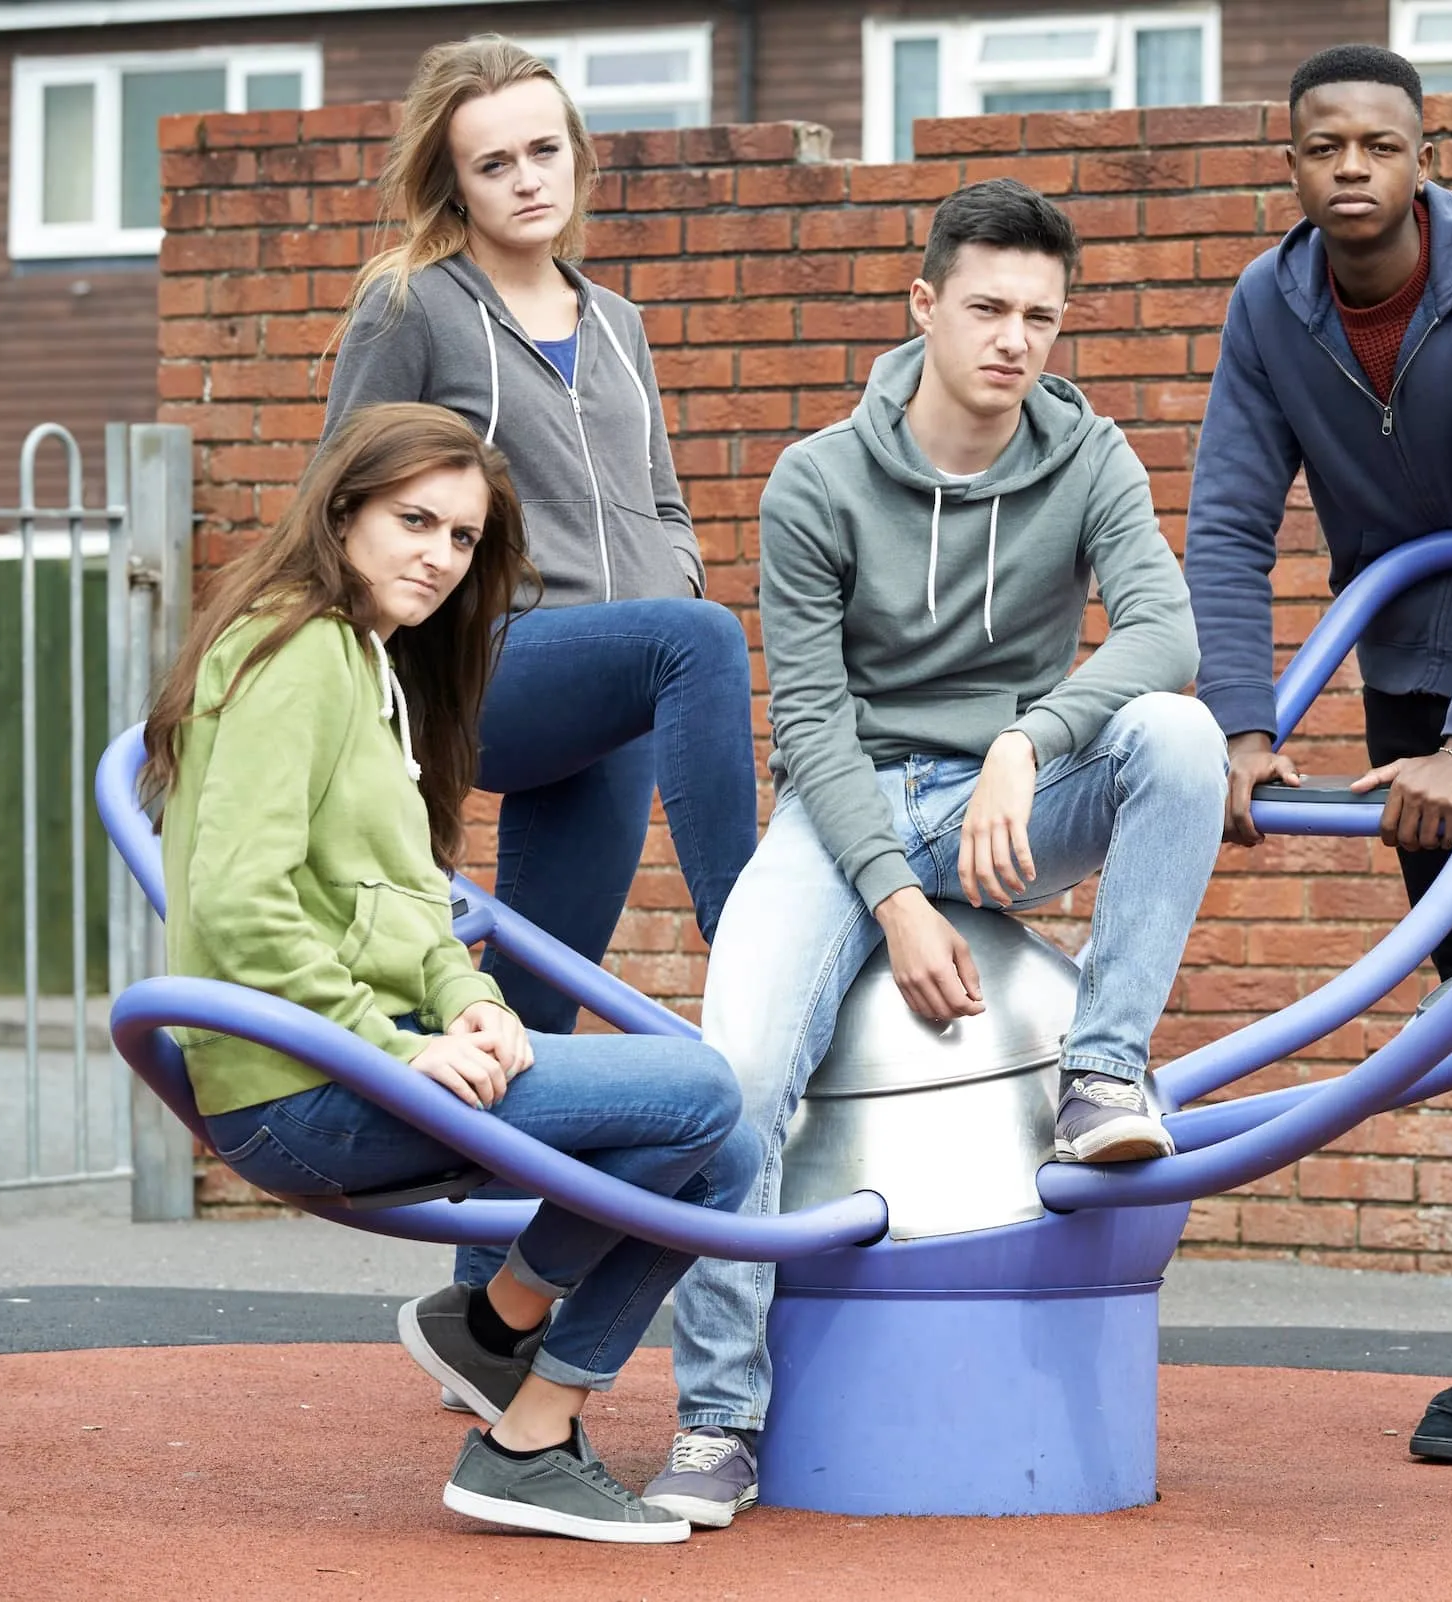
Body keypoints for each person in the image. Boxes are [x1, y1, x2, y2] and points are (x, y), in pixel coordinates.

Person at [637, 179, 1227, 1527]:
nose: (1016, 339)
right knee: (735, 1079)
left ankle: (1101, 1070)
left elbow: (1162, 634)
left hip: (1008, 805)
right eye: (988, 308)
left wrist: (1030, 737)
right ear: (924, 306)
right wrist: (895, 901)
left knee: (1179, 738)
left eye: (1041, 316)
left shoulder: (1090, 456)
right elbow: (809, 724)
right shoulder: (819, 480)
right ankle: (720, 1414)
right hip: (849, 813)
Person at [143, 402, 761, 1543]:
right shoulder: (291, 649)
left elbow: (410, 899)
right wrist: (398, 1048)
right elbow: (235, 905)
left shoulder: (371, 669)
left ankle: (522, 1398)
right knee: (707, 1093)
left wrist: (471, 1002)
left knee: (726, 1142)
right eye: (413, 520)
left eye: (463, 538)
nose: (437, 555)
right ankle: (508, 1371)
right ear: (343, 513)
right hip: (304, 1087)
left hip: (349, 1069)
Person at [1183, 44, 1452, 1467]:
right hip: (1403, 684)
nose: (1354, 167)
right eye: (1326, 147)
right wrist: (1242, 728)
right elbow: (1230, 523)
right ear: (1293, 166)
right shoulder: (1271, 306)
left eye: (1382, 142)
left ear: (1422, 156)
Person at [323, 35, 758, 1042]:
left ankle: (503, 1176)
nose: (527, 180)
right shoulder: (412, 307)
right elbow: (339, 494)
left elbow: (666, 501)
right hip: (486, 668)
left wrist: (670, 574)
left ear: (576, 155)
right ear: (456, 185)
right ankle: (752, 943)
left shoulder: (618, 325)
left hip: (612, 692)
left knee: (538, 1006)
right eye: (495, 164)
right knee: (701, 637)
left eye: (543, 151)